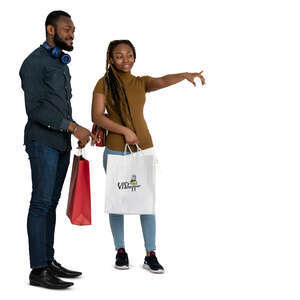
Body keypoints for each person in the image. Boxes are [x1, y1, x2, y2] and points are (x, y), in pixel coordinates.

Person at [91, 40, 205, 274]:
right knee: (117, 201)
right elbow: (97, 116)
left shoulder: (140, 82)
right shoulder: (103, 84)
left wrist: (184, 75)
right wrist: (124, 131)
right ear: (110, 59)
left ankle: (150, 253)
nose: (126, 60)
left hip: (144, 147)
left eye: (130, 55)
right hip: (115, 149)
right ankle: (120, 252)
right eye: (119, 56)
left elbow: (162, 80)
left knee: (146, 201)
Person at [19, 10, 95, 289]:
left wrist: (74, 130)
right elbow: (36, 109)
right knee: (40, 203)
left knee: (50, 203)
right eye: (67, 29)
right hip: (42, 142)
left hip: (60, 143)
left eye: (73, 30)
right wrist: (74, 128)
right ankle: (38, 270)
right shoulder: (34, 63)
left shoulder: (61, 64)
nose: (72, 34)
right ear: (51, 30)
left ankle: (47, 260)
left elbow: (58, 106)